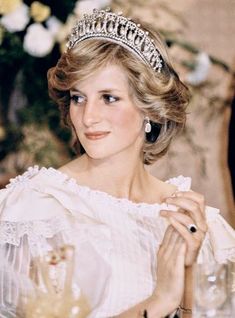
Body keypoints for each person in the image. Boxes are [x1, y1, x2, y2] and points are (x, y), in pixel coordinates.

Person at [0, 7, 235, 318]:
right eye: (78, 97)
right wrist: (159, 300)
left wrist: (190, 274)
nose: (88, 117)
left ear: (150, 108)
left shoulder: (197, 222)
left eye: (108, 97)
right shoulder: (37, 210)